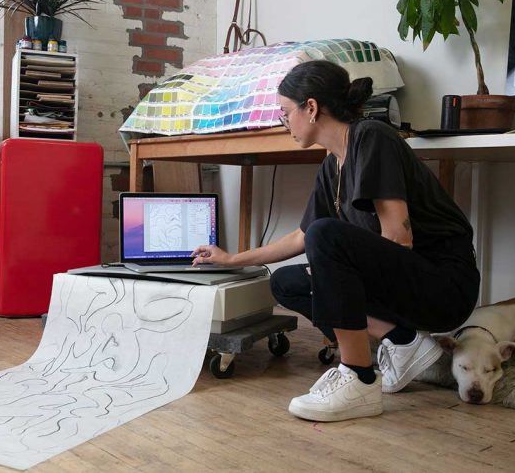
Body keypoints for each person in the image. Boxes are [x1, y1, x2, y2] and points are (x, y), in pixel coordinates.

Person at [191, 60, 480, 422]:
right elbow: (301, 235)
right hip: (405, 282)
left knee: (326, 237)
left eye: (285, 113)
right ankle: (403, 340)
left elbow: (398, 238)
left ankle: (357, 377)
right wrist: (232, 259)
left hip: (444, 285)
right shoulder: (332, 165)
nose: (285, 124)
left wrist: (337, 274)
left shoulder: (371, 137)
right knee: (285, 282)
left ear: (310, 108)